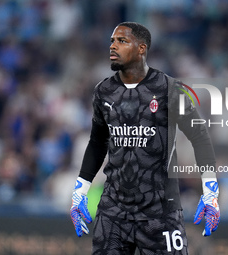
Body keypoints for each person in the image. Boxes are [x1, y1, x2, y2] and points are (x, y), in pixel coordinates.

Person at [70, 21, 220, 255]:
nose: (113, 46)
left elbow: (200, 137)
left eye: (122, 41)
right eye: (112, 41)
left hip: (159, 211)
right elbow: (97, 143)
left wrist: (210, 190)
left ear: (141, 49)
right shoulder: (103, 91)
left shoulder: (169, 89)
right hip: (113, 212)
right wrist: (80, 190)